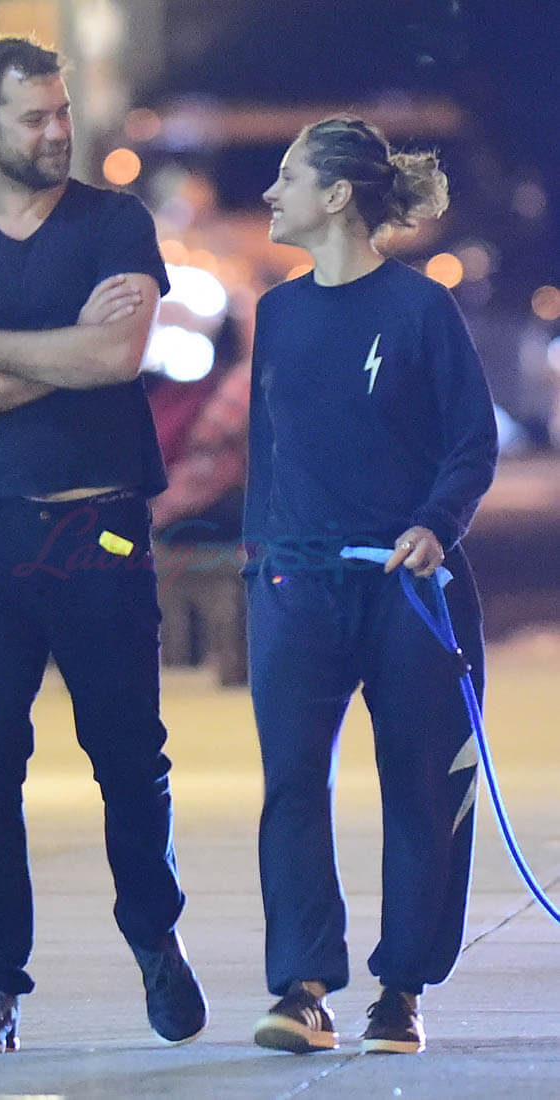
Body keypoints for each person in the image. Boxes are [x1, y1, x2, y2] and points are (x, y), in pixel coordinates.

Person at [0, 35, 207, 1054]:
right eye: (33, 117)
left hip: (98, 526)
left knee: (127, 754)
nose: (57, 131)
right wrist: (60, 354)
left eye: (61, 111)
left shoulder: (115, 224)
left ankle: (153, 933)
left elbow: (118, 354)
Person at [243, 118, 498, 1056]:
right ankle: (301, 988)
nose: (270, 194)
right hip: (295, 587)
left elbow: (472, 441)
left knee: (421, 789)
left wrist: (434, 526)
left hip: (408, 589)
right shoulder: (277, 312)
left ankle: (401, 990)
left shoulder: (421, 309)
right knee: (290, 785)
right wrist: (258, 565)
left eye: (286, 177)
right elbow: (266, 454)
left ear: (336, 195)